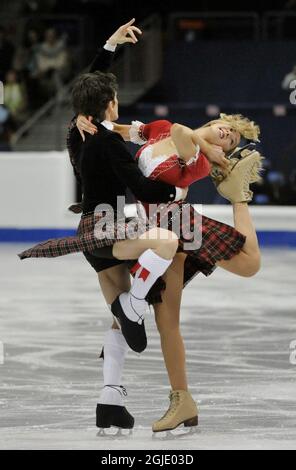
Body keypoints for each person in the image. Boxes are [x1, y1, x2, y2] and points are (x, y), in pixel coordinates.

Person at [17, 20, 188, 431]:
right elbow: (142, 186)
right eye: (114, 100)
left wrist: (109, 45)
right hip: (107, 229)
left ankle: (109, 401)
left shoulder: (79, 134)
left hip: (92, 234)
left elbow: (87, 88)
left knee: (118, 320)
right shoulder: (109, 141)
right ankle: (133, 305)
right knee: (166, 242)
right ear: (111, 104)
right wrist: (177, 194)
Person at [77, 113, 263, 432]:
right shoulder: (160, 129)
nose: (226, 136)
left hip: (179, 224)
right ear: (219, 120)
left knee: (249, 264)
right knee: (160, 320)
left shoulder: (199, 162)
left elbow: (181, 133)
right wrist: (86, 123)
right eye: (228, 129)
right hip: (153, 232)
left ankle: (239, 198)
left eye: (230, 141)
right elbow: (122, 131)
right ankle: (155, 399)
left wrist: (207, 150)